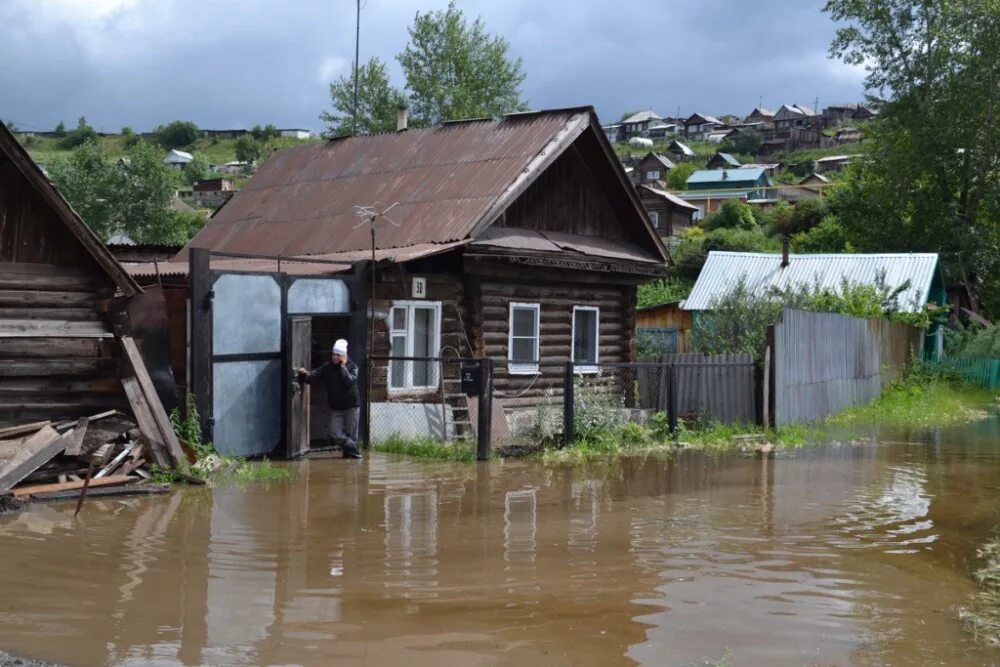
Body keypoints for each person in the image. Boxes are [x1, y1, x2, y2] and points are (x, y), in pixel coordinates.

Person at [298, 339, 362, 459]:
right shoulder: (327, 367)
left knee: (351, 435)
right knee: (334, 433)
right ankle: (356, 454)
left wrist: (343, 367)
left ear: (344, 355)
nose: (335, 357)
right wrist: (304, 375)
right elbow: (314, 376)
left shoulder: (352, 367)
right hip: (336, 407)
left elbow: (349, 381)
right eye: (333, 354)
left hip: (351, 406)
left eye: (338, 355)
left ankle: (351, 465)